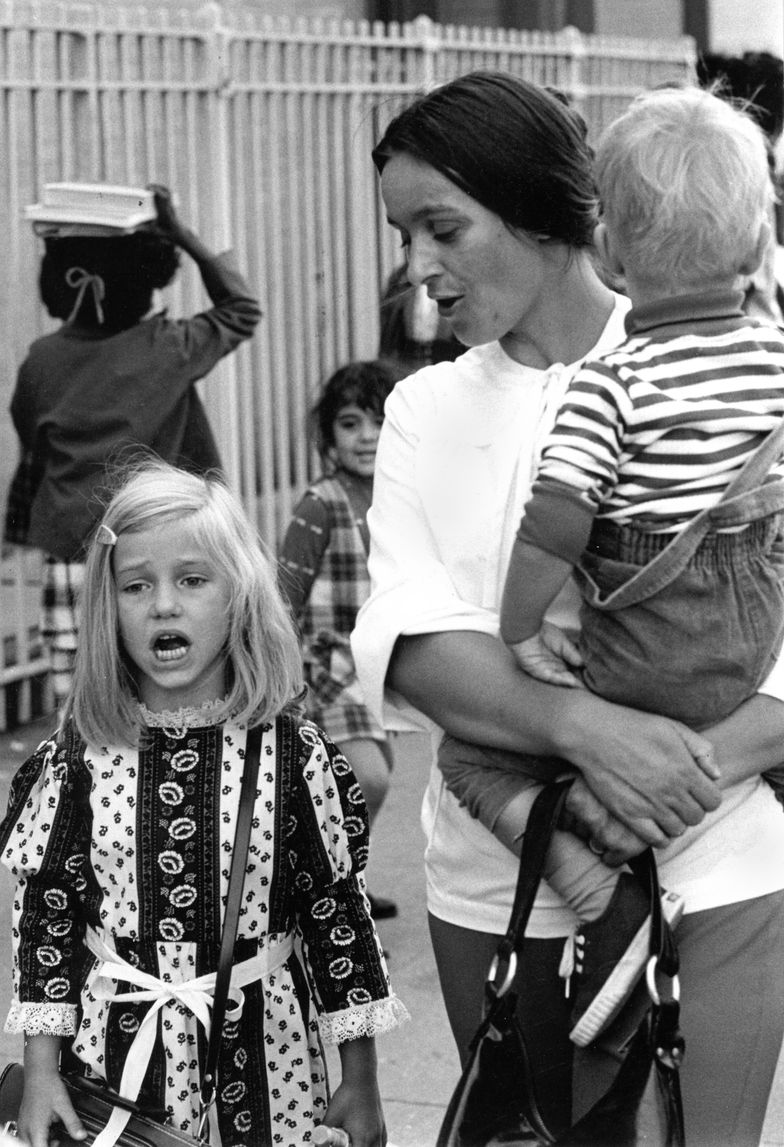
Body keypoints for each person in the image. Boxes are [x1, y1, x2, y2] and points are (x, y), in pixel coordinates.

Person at [350, 71, 784, 1146]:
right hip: (494, 877)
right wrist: (594, 738)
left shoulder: (728, 377)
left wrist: (691, 767)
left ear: (549, 211)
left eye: (441, 228)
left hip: (717, 847)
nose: (417, 270)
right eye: (407, 235)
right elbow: (411, 651)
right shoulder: (423, 409)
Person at [0, 461, 408, 1147]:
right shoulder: (79, 756)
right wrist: (40, 1071)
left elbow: (336, 916)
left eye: (191, 579)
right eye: (136, 584)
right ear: (110, 605)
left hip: (271, 1059)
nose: (164, 604)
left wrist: (359, 1078)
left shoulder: (291, 754)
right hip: (117, 1062)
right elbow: (48, 920)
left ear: (238, 595)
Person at [4, 185, 261, 709]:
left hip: (73, 560)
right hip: (162, 558)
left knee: (81, 717)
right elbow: (241, 308)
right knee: (170, 701)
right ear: (149, 279)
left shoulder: (41, 362)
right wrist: (183, 233)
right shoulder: (170, 347)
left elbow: (30, 435)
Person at [278, 360, 400, 920]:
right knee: (365, 777)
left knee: (357, 783)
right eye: (351, 423)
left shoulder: (401, 496)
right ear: (328, 435)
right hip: (326, 665)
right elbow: (284, 595)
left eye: (379, 421)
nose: (367, 436)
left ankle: (338, 881)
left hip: (377, 665)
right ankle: (330, 892)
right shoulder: (320, 504)